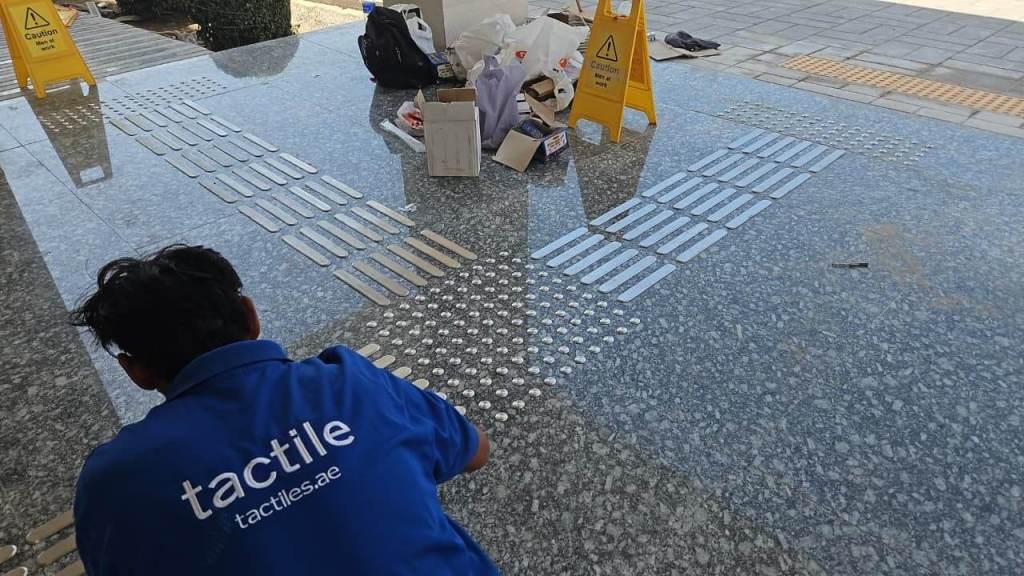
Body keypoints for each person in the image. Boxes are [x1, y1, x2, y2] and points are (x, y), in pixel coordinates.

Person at [70, 244, 496, 575]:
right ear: (251, 317)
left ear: (135, 371)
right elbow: (476, 451)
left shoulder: (116, 482)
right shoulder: (346, 381)